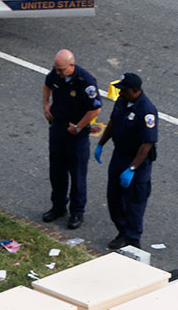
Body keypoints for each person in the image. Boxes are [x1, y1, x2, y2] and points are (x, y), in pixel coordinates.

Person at [94, 73, 158, 249]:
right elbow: (113, 123)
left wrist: (132, 168)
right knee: (113, 198)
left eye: (124, 90)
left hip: (137, 161)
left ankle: (133, 241)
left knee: (135, 202)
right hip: (119, 155)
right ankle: (122, 232)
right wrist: (101, 144)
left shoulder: (147, 111)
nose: (120, 93)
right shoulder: (122, 101)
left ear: (135, 91)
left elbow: (147, 143)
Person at [42, 49, 102, 229]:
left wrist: (78, 127)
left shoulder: (86, 82)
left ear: (72, 66)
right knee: (57, 171)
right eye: (56, 69)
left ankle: (77, 212)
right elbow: (47, 84)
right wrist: (46, 105)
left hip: (76, 134)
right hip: (58, 128)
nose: (58, 73)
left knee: (77, 175)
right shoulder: (56, 74)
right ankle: (58, 206)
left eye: (61, 70)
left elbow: (95, 109)